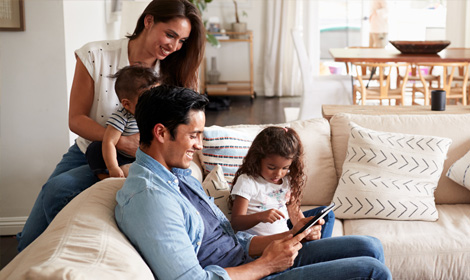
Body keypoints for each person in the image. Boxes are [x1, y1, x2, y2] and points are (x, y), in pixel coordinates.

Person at [115, 85, 392, 280]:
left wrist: (290, 235)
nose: (199, 145)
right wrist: (267, 265)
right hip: (250, 274)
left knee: (370, 246)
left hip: (249, 259)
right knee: (373, 271)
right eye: (193, 135)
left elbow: (231, 240)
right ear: (161, 133)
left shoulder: (179, 176)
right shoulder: (149, 199)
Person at [16, 0, 205, 252]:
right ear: (148, 21)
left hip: (139, 157)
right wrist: (118, 140)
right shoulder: (95, 55)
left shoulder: (174, 71)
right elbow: (76, 119)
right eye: (170, 34)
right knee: (30, 236)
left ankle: (64, 253)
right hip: (89, 149)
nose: (174, 46)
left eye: (182, 40)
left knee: (58, 190)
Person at [230, 126, 335, 238]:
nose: (278, 174)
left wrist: (306, 232)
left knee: (327, 214)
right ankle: (319, 250)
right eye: (271, 167)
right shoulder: (248, 181)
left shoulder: (286, 181)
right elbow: (236, 223)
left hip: (287, 237)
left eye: (285, 168)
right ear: (257, 159)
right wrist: (260, 216)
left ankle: (317, 248)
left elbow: (295, 216)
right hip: (266, 245)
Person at [86, 65, 158, 180]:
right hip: (121, 158)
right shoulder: (122, 117)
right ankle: (105, 177)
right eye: (146, 100)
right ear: (127, 104)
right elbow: (109, 142)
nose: (153, 104)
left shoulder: (156, 114)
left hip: (144, 157)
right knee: (95, 148)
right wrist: (113, 167)